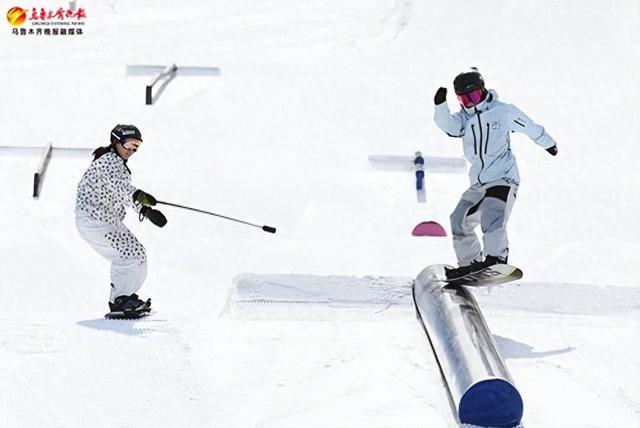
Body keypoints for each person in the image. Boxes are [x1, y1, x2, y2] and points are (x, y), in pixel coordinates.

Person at [433, 68, 558, 279]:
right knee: (459, 219)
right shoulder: (464, 119)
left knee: (492, 215)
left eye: (473, 96)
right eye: (464, 100)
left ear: (483, 91)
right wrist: (440, 106)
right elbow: (450, 128)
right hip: (478, 183)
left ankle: (497, 258)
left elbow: (529, 126)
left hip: (503, 177)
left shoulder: (503, 112)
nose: (471, 103)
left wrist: (549, 143)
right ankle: (470, 264)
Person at [75, 124, 167, 314]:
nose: (132, 151)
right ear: (116, 142)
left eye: (136, 147)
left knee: (137, 254)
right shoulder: (108, 161)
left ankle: (125, 297)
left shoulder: (116, 164)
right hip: (95, 220)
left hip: (105, 221)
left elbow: (119, 190)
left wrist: (145, 205)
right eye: (129, 145)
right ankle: (119, 301)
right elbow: (121, 188)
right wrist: (141, 201)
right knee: (128, 255)